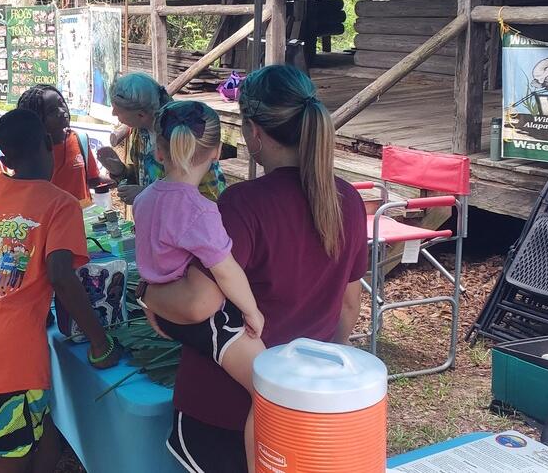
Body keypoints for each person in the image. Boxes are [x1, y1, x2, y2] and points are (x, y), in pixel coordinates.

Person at [138, 65, 368, 473]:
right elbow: (350, 305)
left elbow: (197, 303)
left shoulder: (243, 204)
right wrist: (308, 381)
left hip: (221, 409)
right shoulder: (347, 200)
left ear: (254, 133)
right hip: (298, 402)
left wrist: (146, 294)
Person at [0, 109, 121, 473]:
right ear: (48, 143)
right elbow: (62, 276)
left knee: (40, 433)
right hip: (10, 357)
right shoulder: (60, 203)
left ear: (4, 155)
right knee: (12, 452)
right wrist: (100, 343)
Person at [133, 100, 266, 472]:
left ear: (159, 150)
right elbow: (226, 271)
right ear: (216, 152)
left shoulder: (143, 201)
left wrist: (150, 303)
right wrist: (252, 311)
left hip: (165, 309)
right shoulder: (200, 210)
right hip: (205, 322)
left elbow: (146, 259)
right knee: (268, 387)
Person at [99, 73, 227, 204]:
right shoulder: (140, 132)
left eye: (117, 109)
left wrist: (148, 194)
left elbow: (205, 197)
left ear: (141, 114)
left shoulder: (181, 135)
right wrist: (121, 170)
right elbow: (145, 176)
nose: (113, 113)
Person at [16, 85, 103, 204]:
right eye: (52, 110)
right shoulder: (32, 151)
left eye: (61, 103)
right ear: (36, 118)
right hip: (51, 219)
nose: (62, 111)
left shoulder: (79, 139)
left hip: (82, 218)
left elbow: (92, 180)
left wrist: (119, 176)